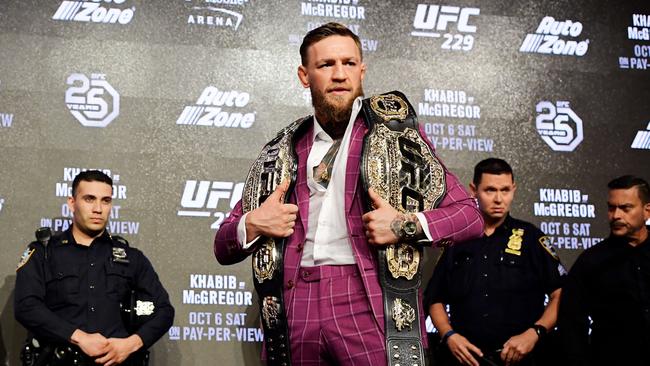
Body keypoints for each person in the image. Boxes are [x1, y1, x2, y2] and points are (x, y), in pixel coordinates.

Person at [213, 22, 483, 365]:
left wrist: (404, 225)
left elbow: (468, 216)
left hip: (366, 299)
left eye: (349, 63)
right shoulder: (283, 149)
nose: (340, 74)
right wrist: (253, 223)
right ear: (304, 75)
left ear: (362, 70)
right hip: (296, 305)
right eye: (326, 65)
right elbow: (222, 245)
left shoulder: (397, 137)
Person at [14, 170, 174, 366]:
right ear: (72, 203)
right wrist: (78, 337)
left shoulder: (132, 258)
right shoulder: (43, 253)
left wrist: (131, 344)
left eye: (105, 201)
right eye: (89, 199)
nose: (98, 208)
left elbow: (164, 311)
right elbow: (26, 307)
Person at [424, 158, 566, 366]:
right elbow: (435, 298)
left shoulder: (531, 238)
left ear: (514, 189)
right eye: (490, 190)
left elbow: (560, 293)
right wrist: (449, 335)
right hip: (465, 360)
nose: (499, 199)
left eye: (505, 190)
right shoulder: (458, 239)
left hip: (521, 360)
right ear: (474, 190)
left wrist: (535, 333)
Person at [558, 175, 650, 366]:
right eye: (611, 208)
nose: (616, 215)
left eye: (626, 208)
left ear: (647, 211)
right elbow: (572, 324)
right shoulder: (590, 261)